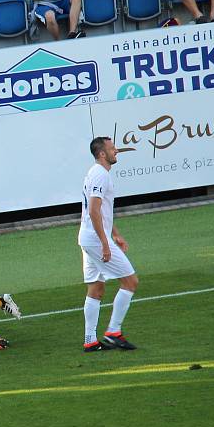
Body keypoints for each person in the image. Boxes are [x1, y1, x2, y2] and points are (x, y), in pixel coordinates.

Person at [78, 137, 139, 353]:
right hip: (95, 240)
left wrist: (116, 234)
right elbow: (94, 210)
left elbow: (99, 212)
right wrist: (105, 243)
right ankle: (113, 332)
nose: (116, 151)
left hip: (88, 237)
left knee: (96, 287)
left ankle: (90, 340)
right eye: (113, 149)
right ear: (102, 154)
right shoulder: (100, 175)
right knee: (130, 281)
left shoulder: (95, 173)